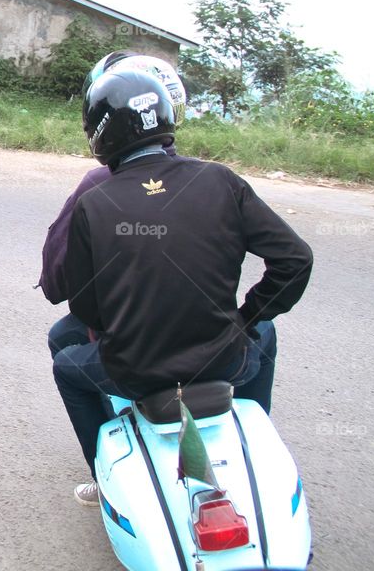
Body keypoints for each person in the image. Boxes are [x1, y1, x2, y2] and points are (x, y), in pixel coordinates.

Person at [51, 69, 312, 506]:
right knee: (264, 333)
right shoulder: (221, 180)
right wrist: (248, 316)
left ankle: (103, 473)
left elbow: (86, 306)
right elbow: (295, 259)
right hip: (224, 362)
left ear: (99, 133)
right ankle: (249, 432)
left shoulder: (93, 203)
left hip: (134, 372)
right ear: (168, 115)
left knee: (67, 367)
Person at [39, 52, 186, 305]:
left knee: (62, 334)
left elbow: (55, 283)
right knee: (264, 328)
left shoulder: (97, 185)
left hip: (128, 330)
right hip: (213, 327)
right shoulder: (216, 178)